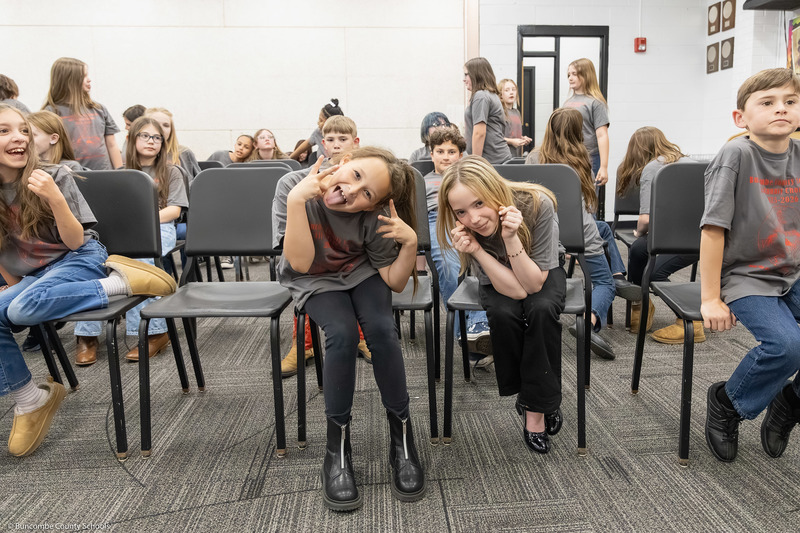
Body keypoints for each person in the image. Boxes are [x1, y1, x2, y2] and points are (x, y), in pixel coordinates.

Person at [0, 104, 175, 456]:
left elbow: (76, 241)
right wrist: (10, 284)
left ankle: (121, 282)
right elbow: (5, 252)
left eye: (22, 129)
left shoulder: (55, 175)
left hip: (79, 257)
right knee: (12, 306)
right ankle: (30, 399)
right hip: (36, 275)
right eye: (4, 130)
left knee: (21, 310)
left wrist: (52, 196)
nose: (18, 136)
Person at [274, 147, 425, 510]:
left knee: (382, 330)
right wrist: (297, 202)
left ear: (374, 205)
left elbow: (394, 281)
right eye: (354, 175)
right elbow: (301, 261)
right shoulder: (292, 186)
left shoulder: (374, 216)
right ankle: (337, 447)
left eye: (366, 194)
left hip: (361, 273)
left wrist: (411, 243)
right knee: (341, 334)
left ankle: (402, 436)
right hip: (312, 277)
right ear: (345, 162)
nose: (351, 191)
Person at [701, 68, 800, 462]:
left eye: (790, 102)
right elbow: (712, 230)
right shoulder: (736, 155)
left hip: (792, 270)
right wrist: (710, 297)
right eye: (768, 102)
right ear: (740, 118)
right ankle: (729, 402)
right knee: (788, 346)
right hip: (746, 276)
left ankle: (789, 401)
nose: (781, 109)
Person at [437, 155, 566, 454]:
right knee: (504, 313)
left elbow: (533, 285)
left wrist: (510, 238)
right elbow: (516, 293)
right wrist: (478, 251)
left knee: (542, 310)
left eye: (479, 203)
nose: (473, 219)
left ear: (494, 189)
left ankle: (535, 407)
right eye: (461, 212)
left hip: (541, 268)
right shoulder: (466, 229)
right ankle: (539, 394)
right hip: (496, 273)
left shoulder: (537, 204)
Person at [73, 117, 187, 365]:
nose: (152, 141)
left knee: (141, 259)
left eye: (157, 137)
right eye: (145, 136)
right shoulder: (121, 174)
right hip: (125, 228)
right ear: (132, 139)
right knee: (91, 260)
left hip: (159, 227)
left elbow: (174, 211)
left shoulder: (171, 171)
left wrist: (142, 219)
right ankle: (87, 334)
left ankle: (154, 332)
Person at [275, 115, 372, 377]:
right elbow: (287, 246)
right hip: (310, 264)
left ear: (356, 142)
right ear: (323, 144)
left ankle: (361, 336)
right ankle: (304, 344)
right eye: (330, 139)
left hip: (349, 260)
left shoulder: (365, 184)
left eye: (343, 139)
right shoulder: (294, 182)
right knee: (305, 276)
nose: (337, 145)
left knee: (361, 276)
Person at [527, 108, 618, 360]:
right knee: (604, 283)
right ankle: (587, 322)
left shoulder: (533, 158)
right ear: (579, 132)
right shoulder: (582, 159)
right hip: (581, 235)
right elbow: (589, 204)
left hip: (542, 235)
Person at [617, 126, 701, 342]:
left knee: (652, 273)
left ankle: (691, 320)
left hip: (680, 237)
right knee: (638, 250)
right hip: (707, 235)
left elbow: (645, 220)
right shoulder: (690, 162)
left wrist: (639, 231)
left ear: (637, 150)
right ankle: (642, 305)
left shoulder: (653, 168)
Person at [424, 126, 492, 366]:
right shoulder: (424, 181)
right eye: (439, 151)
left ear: (460, 155)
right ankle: (466, 333)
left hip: (466, 216)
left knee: (483, 259)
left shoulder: (468, 177)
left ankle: (480, 325)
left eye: (451, 151)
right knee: (448, 263)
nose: (445, 156)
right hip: (436, 220)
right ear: (430, 154)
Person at [43, 58, 122, 171]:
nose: (89, 80)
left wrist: (120, 171)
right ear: (70, 80)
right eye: (84, 76)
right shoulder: (51, 112)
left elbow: (112, 144)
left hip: (104, 173)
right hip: (73, 175)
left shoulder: (99, 109)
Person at [563, 58, 609, 186]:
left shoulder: (595, 102)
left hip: (589, 157)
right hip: (568, 157)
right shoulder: (567, 103)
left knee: (589, 201)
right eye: (569, 74)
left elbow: (602, 135)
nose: (570, 78)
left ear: (586, 75)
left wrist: (604, 167)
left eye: (575, 74)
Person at [463, 58, 512, 165]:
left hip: (493, 161)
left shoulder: (481, 96)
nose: (464, 79)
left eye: (466, 74)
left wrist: (476, 164)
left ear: (476, 75)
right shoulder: (489, 95)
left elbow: (479, 133)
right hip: (496, 159)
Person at [145, 107, 201, 180]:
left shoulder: (183, 153)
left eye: (166, 125)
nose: (161, 129)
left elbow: (200, 185)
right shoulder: (135, 154)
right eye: (155, 124)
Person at [497, 79, 531, 157]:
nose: (511, 92)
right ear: (501, 94)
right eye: (507, 90)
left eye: (513, 89)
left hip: (517, 155)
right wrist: (512, 142)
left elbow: (513, 134)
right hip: (503, 156)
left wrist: (523, 139)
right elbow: (495, 138)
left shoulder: (517, 112)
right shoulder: (499, 112)